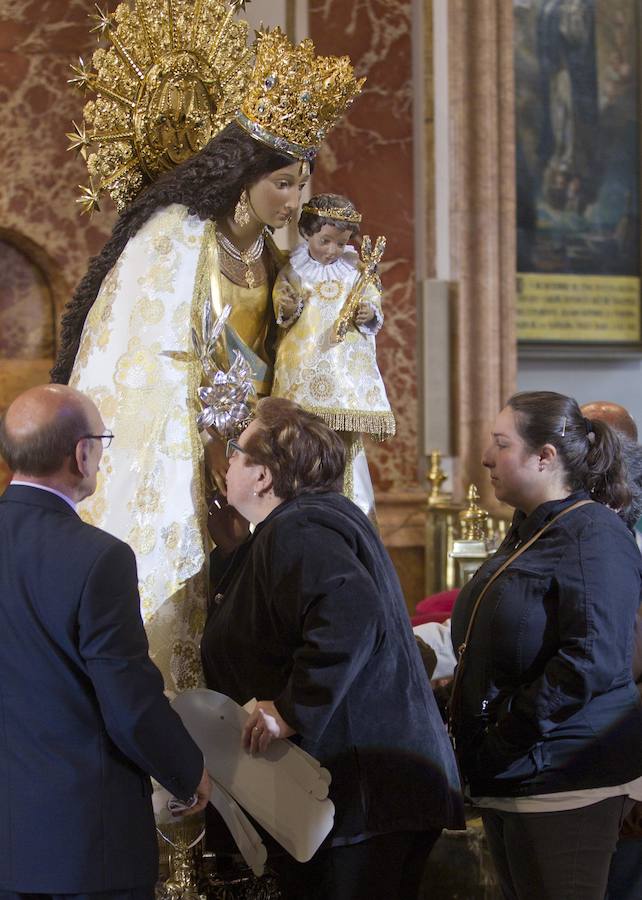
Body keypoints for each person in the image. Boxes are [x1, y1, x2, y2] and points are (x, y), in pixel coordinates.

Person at [50, 27, 363, 693]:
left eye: (303, 185)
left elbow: (289, 355)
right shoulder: (172, 241)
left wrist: (341, 315)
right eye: (282, 184)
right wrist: (203, 429)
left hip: (245, 456)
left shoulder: (276, 261)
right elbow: (140, 357)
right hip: (178, 449)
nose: (295, 203)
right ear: (243, 177)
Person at [201, 397, 464, 900]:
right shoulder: (302, 524)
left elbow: (349, 616)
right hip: (372, 792)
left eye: (236, 452)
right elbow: (269, 619)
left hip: (364, 793)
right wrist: (235, 553)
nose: (226, 462)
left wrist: (290, 709)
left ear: (262, 477)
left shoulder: (302, 527)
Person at [0, 384, 210, 898]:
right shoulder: (99, 558)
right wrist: (188, 771)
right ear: (82, 452)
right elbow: (129, 703)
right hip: (82, 845)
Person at [449, 390, 642, 900]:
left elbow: (591, 661)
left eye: (500, 443)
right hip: (515, 775)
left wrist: (507, 731)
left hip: (563, 777)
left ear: (545, 457)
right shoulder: (529, 530)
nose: (487, 457)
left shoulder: (593, 534)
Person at [271, 193, 395, 520]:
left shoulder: (358, 270)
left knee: (344, 448)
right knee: (298, 446)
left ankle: (350, 509)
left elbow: (372, 300)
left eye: (340, 244)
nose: (332, 251)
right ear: (308, 233)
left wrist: (368, 312)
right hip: (304, 369)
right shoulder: (294, 268)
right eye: (325, 241)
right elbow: (284, 304)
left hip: (343, 374)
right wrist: (287, 307)